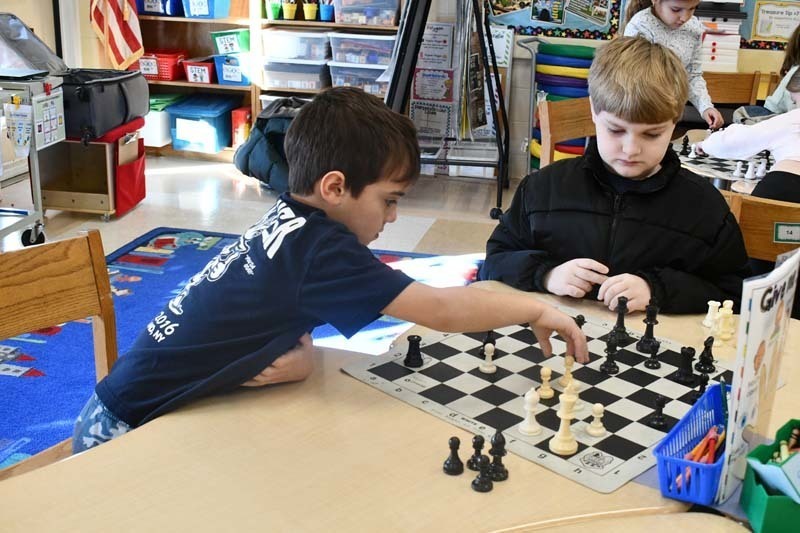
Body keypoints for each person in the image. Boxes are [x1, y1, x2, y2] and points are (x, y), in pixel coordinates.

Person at [72, 88, 588, 452]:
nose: (393, 216)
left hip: (120, 405)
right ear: (335, 187)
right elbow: (444, 309)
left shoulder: (294, 219)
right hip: (126, 433)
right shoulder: (323, 251)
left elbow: (267, 312)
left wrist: (299, 355)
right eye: (389, 200)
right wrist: (534, 308)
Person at [479, 37, 750, 315]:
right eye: (616, 130)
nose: (631, 149)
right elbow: (494, 263)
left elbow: (735, 293)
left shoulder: (704, 208)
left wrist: (656, 290)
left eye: (652, 134)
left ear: (675, 121)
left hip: (653, 351)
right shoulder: (541, 189)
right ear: (594, 112)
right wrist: (547, 274)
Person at [697, 67, 800, 202]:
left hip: (786, 188)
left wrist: (705, 145)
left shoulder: (792, 119)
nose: (793, 105)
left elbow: (733, 142)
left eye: (794, 100)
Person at [623, 0, 725, 129]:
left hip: (670, 112)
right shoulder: (640, 26)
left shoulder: (694, 27)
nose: (685, 18)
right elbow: (631, 79)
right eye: (676, 10)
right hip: (638, 111)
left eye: (692, 8)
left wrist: (705, 107)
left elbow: (692, 75)